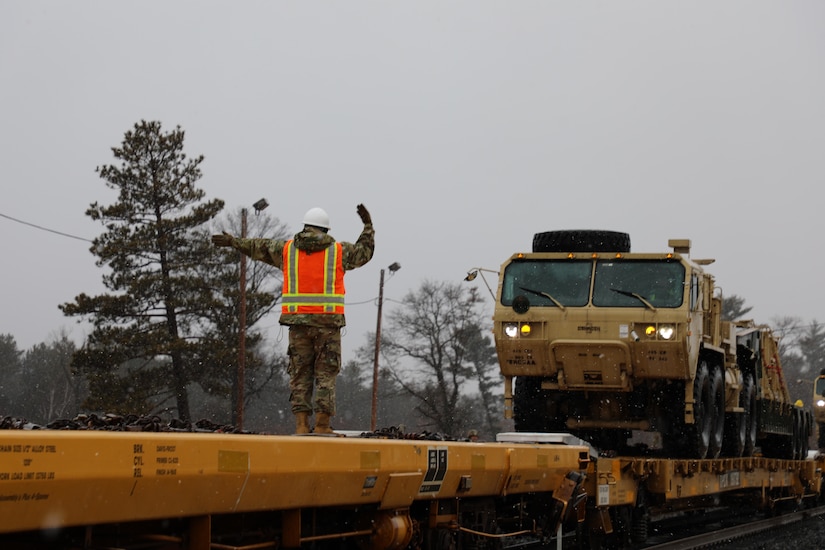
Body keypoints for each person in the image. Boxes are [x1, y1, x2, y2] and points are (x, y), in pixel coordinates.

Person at [212, 204, 374, 434]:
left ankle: (300, 425)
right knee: (326, 374)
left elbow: (259, 246)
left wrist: (234, 242)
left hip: (298, 326)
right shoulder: (338, 251)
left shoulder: (287, 250)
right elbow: (364, 253)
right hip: (327, 326)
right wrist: (368, 227)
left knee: (300, 374)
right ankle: (322, 425)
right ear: (325, 230)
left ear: (305, 227)